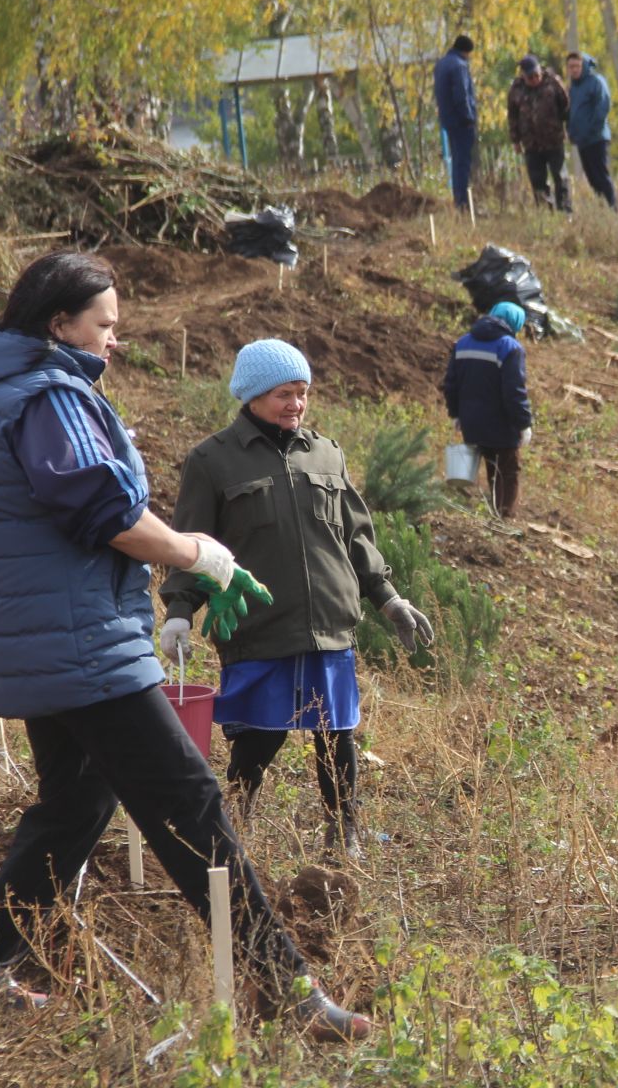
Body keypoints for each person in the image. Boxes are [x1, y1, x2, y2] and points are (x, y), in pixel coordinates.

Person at [0, 252, 366, 1037]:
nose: (114, 341)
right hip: (82, 644)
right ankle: (286, 990)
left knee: (73, 810)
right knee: (192, 805)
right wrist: (201, 553)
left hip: (40, 642)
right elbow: (107, 516)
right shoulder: (48, 397)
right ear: (59, 324)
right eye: (105, 325)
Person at [160, 340, 436, 861]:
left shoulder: (326, 452)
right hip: (259, 625)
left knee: (339, 736)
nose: (296, 404)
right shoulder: (213, 460)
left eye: (303, 393)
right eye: (284, 393)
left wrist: (389, 598)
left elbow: (355, 537)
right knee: (259, 737)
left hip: (329, 624)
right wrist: (178, 612)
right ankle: (232, 834)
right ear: (253, 396)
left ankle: (344, 834)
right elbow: (193, 545)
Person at [443, 301, 534, 518]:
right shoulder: (510, 348)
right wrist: (523, 423)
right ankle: (503, 521)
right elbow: (514, 392)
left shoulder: (463, 343)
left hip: (471, 422)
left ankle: (457, 511)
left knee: (470, 468)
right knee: (507, 471)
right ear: (515, 324)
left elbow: (450, 384)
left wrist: (456, 413)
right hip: (502, 425)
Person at [507, 55, 571, 212]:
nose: (535, 79)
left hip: (553, 140)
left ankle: (565, 212)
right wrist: (515, 140)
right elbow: (512, 116)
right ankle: (545, 213)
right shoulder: (516, 90)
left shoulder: (553, 82)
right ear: (523, 75)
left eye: (537, 75)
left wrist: (566, 127)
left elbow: (566, 106)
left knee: (560, 176)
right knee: (537, 181)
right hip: (531, 144)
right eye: (530, 77)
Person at [565, 51, 617, 210]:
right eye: (571, 67)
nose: (574, 70)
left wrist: (592, 129)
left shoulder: (595, 81)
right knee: (592, 178)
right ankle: (603, 208)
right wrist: (572, 132)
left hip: (597, 138)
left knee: (601, 175)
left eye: (577, 66)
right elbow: (571, 113)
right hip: (582, 140)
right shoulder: (573, 88)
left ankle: (613, 208)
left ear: (584, 65)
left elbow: (603, 107)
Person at [434, 34, 479, 216]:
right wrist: (469, 117)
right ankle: (463, 204)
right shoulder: (459, 66)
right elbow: (461, 95)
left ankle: (458, 200)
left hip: (448, 121)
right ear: (466, 51)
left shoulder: (442, 64)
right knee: (463, 164)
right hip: (462, 123)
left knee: (456, 162)